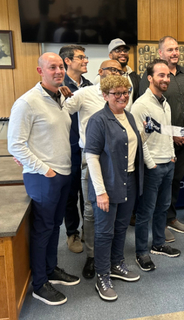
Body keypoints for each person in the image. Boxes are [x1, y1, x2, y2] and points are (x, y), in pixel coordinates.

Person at [8, 52, 80, 306]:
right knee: (42, 230)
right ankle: (39, 284)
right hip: (44, 177)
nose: (59, 71)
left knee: (54, 227)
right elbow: (15, 145)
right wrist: (44, 169)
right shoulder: (27, 102)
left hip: (62, 173)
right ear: (40, 71)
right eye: (52, 67)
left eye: (61, 66)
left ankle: (51, 270)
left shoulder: (61, 96)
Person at [62, 59, 124, 279]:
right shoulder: (84, 93)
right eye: (112, 70)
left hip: (117, 160)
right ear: (100, 72)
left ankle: (111, 255)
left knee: (114, 208)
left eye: (119, 70)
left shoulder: (122, 94)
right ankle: (91, 255)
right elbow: (60, 113)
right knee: (90, 210)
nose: (116, 73)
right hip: (91, 159)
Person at [139, 36, 184, 241]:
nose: (174, 53)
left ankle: (170, 217)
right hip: (161, 142)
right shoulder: (151, 76)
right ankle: (157, 223)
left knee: (174, 181)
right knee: (157, 185)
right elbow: (150, 112)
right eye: (169, 50)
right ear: (161, 53)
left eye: (176, 49)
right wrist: (171, 134)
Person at [85, 75, 144, 301]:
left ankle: (116, 264)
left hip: (128, 181)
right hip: (107, 184)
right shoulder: (98, 120)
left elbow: (132, 146)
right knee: (104, 231)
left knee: (120, 228)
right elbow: (91, 156)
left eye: (125, 92)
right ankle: (102, 274)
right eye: (116, 93)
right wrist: (100, 191)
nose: (122, 96)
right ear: (105, 95)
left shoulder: (128, 116)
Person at [131, 59, 181, 272]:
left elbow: (167, 132)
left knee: (163, 208)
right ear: (150, 78)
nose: (166, 79)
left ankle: (158, 244)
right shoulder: (140, 105)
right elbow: (137, 140)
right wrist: (151, 164)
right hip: (152, 168)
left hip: (168, 163)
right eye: (161, 75)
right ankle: (141, 252)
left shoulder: (165, 103)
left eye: (168, 75)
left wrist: (171, 156)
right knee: (146, 211)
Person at [59, 44, 93, 254]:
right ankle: (72, 233)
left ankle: (87, 230)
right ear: (67, 61)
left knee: (88, 193)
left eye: (85, 57)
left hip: (89, 147)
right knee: (71, 193)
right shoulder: (58, 86)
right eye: (81, 57)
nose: (86, 60)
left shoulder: (90, 86)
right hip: (69, 147)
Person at [94, 38, 140, 111]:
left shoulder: (134, 77)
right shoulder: (101, 77)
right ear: (110, 55)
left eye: (125, 51)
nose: (122, 53)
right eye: (117, 50)